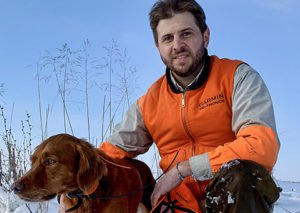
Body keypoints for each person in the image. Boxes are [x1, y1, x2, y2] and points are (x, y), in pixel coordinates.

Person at [99, 0, 280, 212]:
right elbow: (106, 156)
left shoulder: (236, 77)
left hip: (231, 198)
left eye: (186, 34)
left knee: (244, 174)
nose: (177, 45)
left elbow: (261, 147)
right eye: (167, 38)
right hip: (175, 202)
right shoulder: (149, 102)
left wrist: (183, 170)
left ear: (205, 36)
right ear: (158, 46)